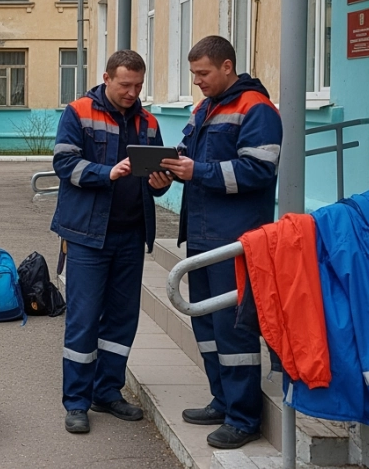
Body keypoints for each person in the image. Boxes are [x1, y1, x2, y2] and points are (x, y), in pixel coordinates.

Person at [159, 35, 282, 450]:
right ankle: (222, 400)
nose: (197, 81)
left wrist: (199, 172)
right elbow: (191, 160)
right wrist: (167, 171)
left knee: (233, 332)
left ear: (227, 66)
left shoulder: (257, 109)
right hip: (203, 236)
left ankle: (243, 418)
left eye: (203, 73)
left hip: (235, 239)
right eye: (193, 74)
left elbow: (259, 170)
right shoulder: (205, 108)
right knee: (207, 325)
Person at [51, 50, 173, 434]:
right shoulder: (78, 112)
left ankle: (108, 391)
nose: (132, 92)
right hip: (88, 236)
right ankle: (76, 402)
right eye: (125, 85)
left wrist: (161, 183)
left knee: (122, 319)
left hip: (131, 235)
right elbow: (64, 164)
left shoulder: (148, 121)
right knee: (84, 319)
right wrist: (109, 172)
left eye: (138, 85)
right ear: (107, 78)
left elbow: (158, 172)